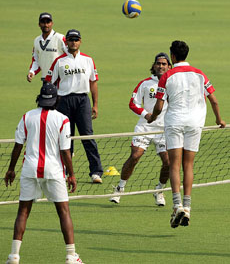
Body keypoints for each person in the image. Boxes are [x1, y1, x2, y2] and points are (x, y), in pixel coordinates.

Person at [147, 40, 226, 228]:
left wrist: (152, 118)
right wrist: (219, 120)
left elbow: (159, 106)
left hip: (175, 122)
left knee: (174, 164)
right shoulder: (200, 74)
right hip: (195, 124)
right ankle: (188, 207)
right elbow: (214, 100)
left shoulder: (167, 76)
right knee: (188, 164)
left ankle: (177, 205)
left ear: (172, 57)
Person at [5, 83, 84, 264]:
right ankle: (71, 256)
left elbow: (18, 146)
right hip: (54, 171)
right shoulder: (63, 119)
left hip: (29, 169)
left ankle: (14, 256)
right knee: (63, 212)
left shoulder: (27, 117)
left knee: (23, 212)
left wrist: (11, 169)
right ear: (57, 99)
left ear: (39, 99)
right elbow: (65, 151)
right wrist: (71, 174)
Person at [110, 53, 172, 205]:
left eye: (164, 64)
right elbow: (133, 103)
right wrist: (146, 115)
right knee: (135, 156)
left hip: (164, 129)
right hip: (145, 126)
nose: (161, 66)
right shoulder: (145, 84)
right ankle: (120, 189)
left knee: (169, 163)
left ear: (169, 66)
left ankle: (159, 190)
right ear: (154, 65)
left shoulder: (173, 84)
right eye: (158, 63)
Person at [45, 29, 103, 184]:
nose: (73, 42)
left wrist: (95, 104)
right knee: (65, 137)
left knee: (87, 136)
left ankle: (96, 172)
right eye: (71, 39)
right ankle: (63, 171)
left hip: (83, 100)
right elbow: (49, 82)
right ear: (67, 42)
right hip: (63, 101)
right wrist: (50, 104)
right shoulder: (59, 61)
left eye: (76, 39)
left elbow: (93, 82)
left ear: (80, 41)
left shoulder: (88, 60)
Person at [27, 12, 66, 82]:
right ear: (39, 24)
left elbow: (70, 55)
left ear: (52, 23)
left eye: (48, 22)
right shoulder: (37, 40)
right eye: (43, 22)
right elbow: (36, 60)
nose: (46, 25)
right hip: (45, 79)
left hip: (60, 79)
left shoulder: (60, 38)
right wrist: (32, 72)